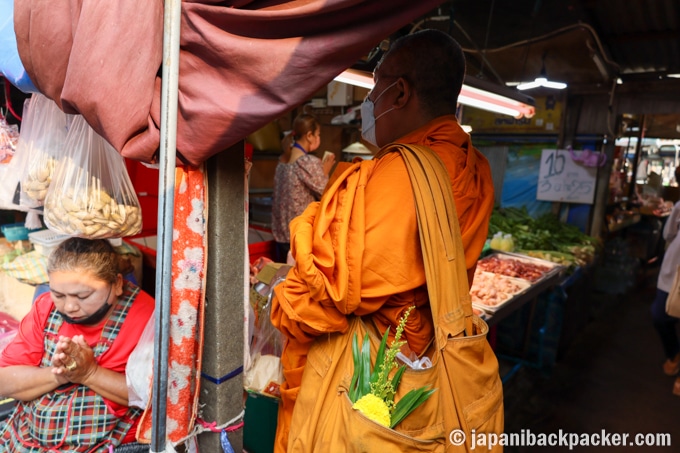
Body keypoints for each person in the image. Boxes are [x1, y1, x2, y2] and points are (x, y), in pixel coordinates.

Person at [270, 29, 495, 451]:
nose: (368, 100)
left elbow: (327, 289)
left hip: (367, 373)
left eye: (375, 85)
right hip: (423, 352)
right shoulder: (473, 164)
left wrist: (292, 270)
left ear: (400, 93)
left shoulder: (398, 172)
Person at [0, 238, 155, 452]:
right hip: (27, 437)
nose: (70, 306)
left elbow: (155, 398)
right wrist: (59, 374)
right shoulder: (45, 308)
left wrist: (90, 373)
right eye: (59, 295)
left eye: (83, 295)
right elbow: (5, 382)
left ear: (117, 284)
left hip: (111, 443)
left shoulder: (148, 318)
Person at [271, 113, 335, 263]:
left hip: (280, 237)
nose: (319, 138)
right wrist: (325, 171)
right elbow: (326, 193)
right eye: (318, 134)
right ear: (309, 135)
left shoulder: (282, 163)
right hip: (298, 238)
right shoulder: (308, 162)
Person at [652, 166, 680, 396]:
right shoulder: (679, 207)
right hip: (673, 273)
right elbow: (668, 235)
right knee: (659, 315)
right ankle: (674, 353)